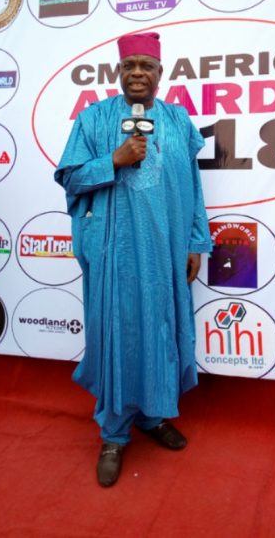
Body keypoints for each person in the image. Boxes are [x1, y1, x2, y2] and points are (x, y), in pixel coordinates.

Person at [54, 31, 211, 487]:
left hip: (166, 253)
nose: (137, 73)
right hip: (114, 254)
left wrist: (196, 242)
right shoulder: (94, 119)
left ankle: (152, 415)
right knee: (119, 336)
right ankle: (114, 433)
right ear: (117, 71)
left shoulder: (178, 120)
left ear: (161, 72)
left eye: (146, 66)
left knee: (161, 329)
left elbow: (194, 187)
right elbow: (69, 177)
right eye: (129, 66)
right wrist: (115, 160)